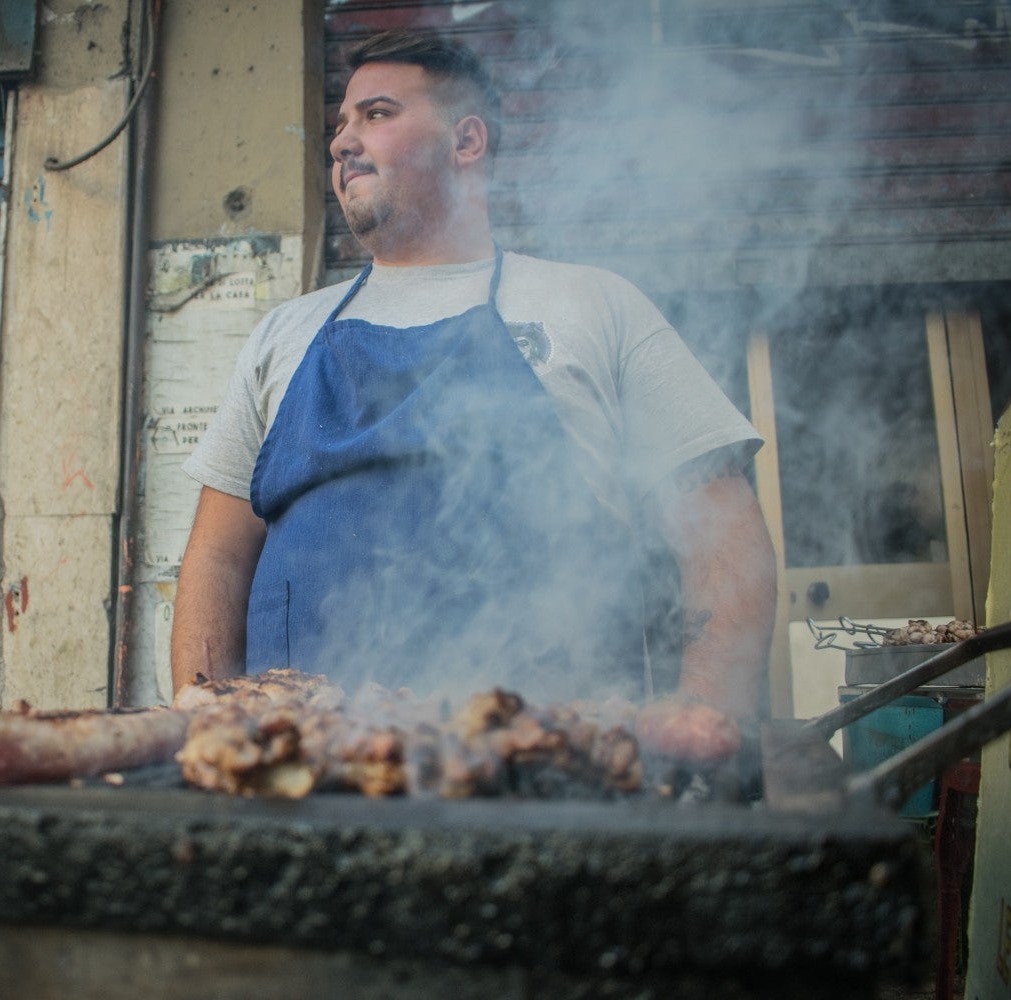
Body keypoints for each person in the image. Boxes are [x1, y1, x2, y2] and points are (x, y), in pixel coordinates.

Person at [170, 30, 777, 717]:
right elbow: (217, 560)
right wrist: (199, 730)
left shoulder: (595, 306)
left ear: (467, 143)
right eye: (340, 124)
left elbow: (722, 537)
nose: (341, 141)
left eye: (376, 114)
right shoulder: (283, 335)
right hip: (301, 782)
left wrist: (705, 719)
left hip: (547, 773)